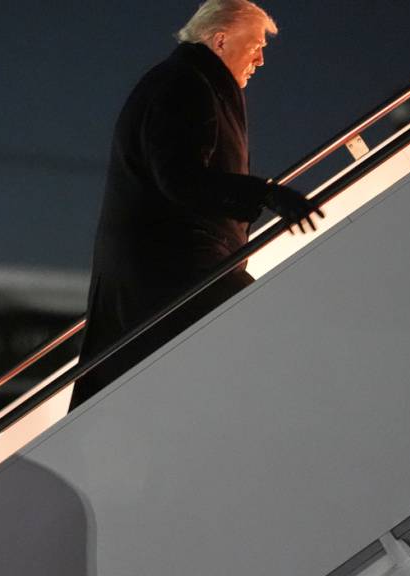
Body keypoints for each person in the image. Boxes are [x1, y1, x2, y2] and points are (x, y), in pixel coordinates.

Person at [70, 0, 324, 409]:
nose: (260, 59)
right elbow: (180, 179)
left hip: (164, 270)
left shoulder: (188, 81)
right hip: (171, 272)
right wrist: (266, 193)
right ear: (220, 40)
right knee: (271, 336)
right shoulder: (184, 85)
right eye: (255, 45)